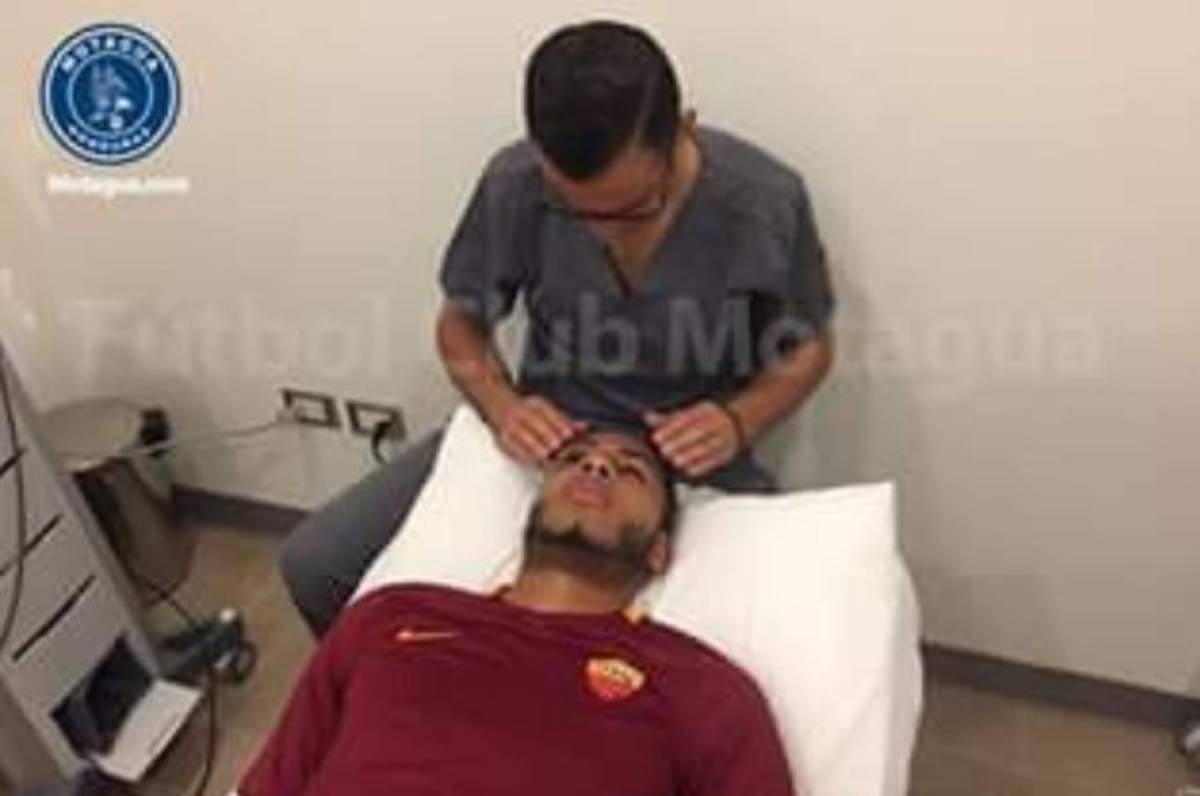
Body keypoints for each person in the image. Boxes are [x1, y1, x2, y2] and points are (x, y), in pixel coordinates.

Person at [281, 19, 834, 635]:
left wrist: (739, 421)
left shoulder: (761, 202)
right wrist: (502, 406)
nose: (603, 232)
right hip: (548, 433)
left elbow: (807, 348)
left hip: (690, 455)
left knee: (749, 639)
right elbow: (460, 324)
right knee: (314, 565)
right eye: (574, 209)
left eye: (633, 208)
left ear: (683, 128)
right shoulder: (515, 183)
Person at [240, 428, 799, 796]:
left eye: (629, 470)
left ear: (658, 551)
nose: (595, 464)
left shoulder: (700, 688)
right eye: (574, 459)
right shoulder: (389, 614)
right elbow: (275, 782)